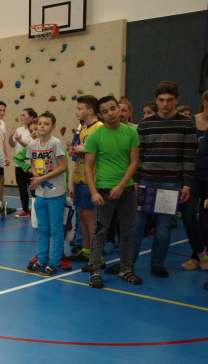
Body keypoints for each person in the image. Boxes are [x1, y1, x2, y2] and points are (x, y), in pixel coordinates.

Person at [107, 81, 197, 278]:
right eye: (161, 100)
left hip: (171, 183)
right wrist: (136, 181)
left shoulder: (187, 123)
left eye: (169, 100)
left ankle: (157, 263)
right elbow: (138, 157)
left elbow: (189, 156)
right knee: (136, 225)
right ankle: (127, 263)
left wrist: (187, 184)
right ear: (156, 100)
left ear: (177, 100)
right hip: (146, 181)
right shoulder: (146, 124)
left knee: (163, 227)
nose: (165, 104)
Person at [83, 96, 141, 288]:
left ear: (119, 108)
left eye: (113, 108)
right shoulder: (95, 136)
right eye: (105, 111)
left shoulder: (131, 132)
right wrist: (93, 192)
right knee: (99, 231)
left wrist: (122, 185)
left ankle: (126, 269)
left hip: (126, 191)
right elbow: (88, 166)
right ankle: (95, 271)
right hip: (104, 192)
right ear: (100, 115)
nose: (111, 113)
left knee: (128, 230)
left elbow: (134, 161)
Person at [26, 112, 68, 276]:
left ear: (53, 127)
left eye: (46, 124)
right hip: (41, 194)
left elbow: (63, 166)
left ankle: (55, 262)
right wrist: (36, 176)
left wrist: (43, 178)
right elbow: (32, 164)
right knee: (42, 228)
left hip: (56, 193)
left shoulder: (55, 143)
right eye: (40, 124)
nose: (42, 126)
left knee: (56, 229)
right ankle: (42, 259)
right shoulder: (33, 145)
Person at [67, 95, 102, 263]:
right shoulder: (84, 130)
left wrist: (84, 149)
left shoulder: (99, 128)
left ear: (90, 111)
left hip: (92, 179)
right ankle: (87, 250)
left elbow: (102, 151)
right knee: (82, 214)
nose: (76, 112)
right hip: (80, 177)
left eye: (79, 109)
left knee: (90, 216)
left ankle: (97, 255)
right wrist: (76, 150)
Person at [180, 90, 208, 271]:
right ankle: (201, 251)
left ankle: (196, 257)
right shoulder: (190, 121)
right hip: (192, 176)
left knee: (205, 220)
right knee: (188, 214)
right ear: (205, 102)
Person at [9, 107, 37, 218]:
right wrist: (11, 136)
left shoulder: (33, 131)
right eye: (21, 115)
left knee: (33, 188)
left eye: (24, 115)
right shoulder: (19, 130)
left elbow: (31, 146)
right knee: (22, 188)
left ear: (31, 117)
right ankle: (25, 209)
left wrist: (20, 140)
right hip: (19, 164)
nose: (21, 117)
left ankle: (36, 209)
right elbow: (12, 144)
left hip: (31, 166)